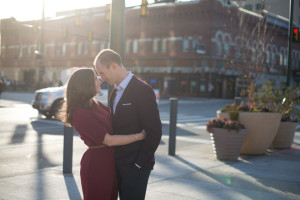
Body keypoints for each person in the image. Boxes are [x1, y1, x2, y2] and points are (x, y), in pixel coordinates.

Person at [59, 68, 146, 200]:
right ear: (85, 84)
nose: (100, 81)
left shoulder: (96, 104)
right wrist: (139, 136)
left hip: (111, 162)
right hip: (97, 165)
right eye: (95, 79)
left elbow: (117, 122)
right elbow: (109, 140)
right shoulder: (80, 113)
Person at [94, 49, 162, 200]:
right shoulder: (114, 93)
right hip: (118, 164)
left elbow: (155, 132)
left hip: (136, 167)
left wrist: (138, 165)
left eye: (102, 73)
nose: (102, 78)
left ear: (113, 66)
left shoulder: (142, 90)